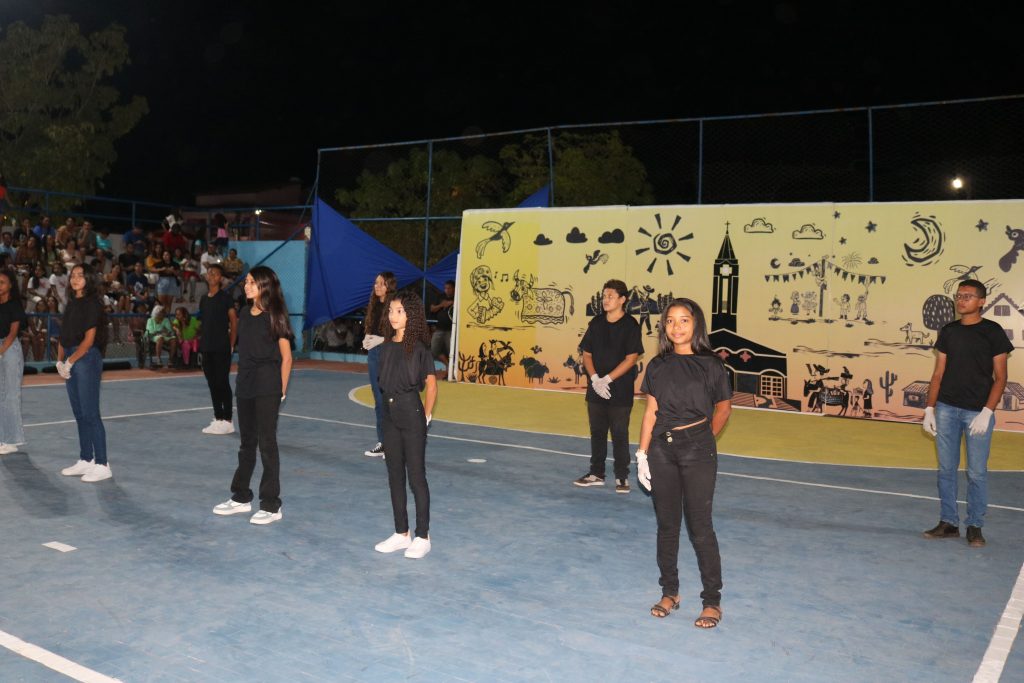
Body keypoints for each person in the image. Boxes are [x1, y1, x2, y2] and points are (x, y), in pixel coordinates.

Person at [635, 298, 732, 627]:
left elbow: (723, 408)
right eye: (670, 320)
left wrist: (704, 438)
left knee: (700, 527)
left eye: (684, 320)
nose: (676, 327)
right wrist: (642, 454)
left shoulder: (711, 365)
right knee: (667, 526)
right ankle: (670, 592)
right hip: (662, 451)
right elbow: (651, 412)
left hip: (697, 449)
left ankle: (712, 601)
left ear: (696, 324)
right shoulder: (657, 365)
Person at [921, 279, 1012, 548]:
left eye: (968, 296)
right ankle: (949, 523)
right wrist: (930, 408)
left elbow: (1001, 378)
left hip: (977, 412)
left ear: (981, 301)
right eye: (959, 296)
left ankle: (975, 525)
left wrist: (987, 411)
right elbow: (938, 374)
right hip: (946, 409)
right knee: (946, 470)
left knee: (976, 473)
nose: (961, 300)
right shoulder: (949, 331)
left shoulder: (993, 332)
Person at [212, 266, 293, 525]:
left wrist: (281, 390)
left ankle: (271, 504)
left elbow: (287, 357)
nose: (246, 286)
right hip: (245, 386)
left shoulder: (276, 316)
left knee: (267, 444)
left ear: (264, 286)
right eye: (246, 282)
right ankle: (241, 497)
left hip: (267, 386)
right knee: (246, 443)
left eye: (251, 282)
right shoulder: (245, 313)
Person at [373, 291, 437, 559]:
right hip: (390, 416)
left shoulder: (420, 349)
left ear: (411, 315)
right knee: (395, 476)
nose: (393, 315)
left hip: (411, 414)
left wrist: (426, 416)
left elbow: (431, 386)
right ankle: (401, 533)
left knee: (416, 477)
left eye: (399, 311)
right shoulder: (386, 347)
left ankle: (423, 536)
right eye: (390, 311)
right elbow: (382, 382)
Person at [574, 279, 644, 492]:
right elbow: (587, 354)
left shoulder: (630, 325)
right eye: (604, 296)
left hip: (620, 390)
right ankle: (596, 473)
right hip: (596, 389)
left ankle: (622, 476)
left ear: (622, 300)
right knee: (597, 432)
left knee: (619, 433)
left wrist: (608, 379)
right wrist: (596, 379)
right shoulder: (596, 323)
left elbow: (631, 359)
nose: (606, 300)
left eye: (610, 296)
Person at [57, 264, 111, 482]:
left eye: (80, 275)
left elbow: (88, 341)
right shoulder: (71, 304)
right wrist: (60, 361)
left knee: (90, 413)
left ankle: (102, 463)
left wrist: (70, 362)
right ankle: (86, 459)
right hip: (71, 357)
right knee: (79, 413)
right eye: (73, 275)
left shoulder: (92, 304)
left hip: (86, 359)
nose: (75, 279)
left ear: (88, 279)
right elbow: (63, 337)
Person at [199, 264, 238, 435]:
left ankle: (228, 420)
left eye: (215, 273)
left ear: (220, 278)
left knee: (222, 382)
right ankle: (218, 418)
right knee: (212, 383)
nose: (212, 275)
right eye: (210, 273)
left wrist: (231, 344)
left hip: (221, 347)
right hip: (206, 347)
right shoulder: (203, 299)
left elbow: (234, 322)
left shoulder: (226, 298)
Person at [361, 272, 395, 457]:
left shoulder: (395, 306)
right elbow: (371, 328)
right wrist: (367, 339)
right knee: (378, 399)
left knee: (390, 399)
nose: (377, 286)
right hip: (374, 354)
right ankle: (383, 442)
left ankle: (394, 443)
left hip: (389, 353)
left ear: (389, 285)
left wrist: (382, 340)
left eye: (382, 283)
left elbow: (401, 334)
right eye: (376, 283)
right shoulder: (373, 305)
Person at [0, 268, 27, 454]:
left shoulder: (15, 305)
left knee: (10, 395)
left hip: (10, 350)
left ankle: (12, 441)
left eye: (2, 282)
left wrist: (1, 351)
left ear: (10, 285)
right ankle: (3, 437)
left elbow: (13, 333)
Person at [429, 280, 455, 368]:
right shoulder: (440, 296)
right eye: (445, 288)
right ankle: (448, 366)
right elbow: (432, 309)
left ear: (454, 288)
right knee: (434, 350)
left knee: (451, 351)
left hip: (451, 330)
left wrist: (452, 303)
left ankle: (452, 369)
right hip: (439, 329)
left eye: (449, 288)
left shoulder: (457, 297)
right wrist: (441, 305)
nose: (447, 290)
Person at [144, 305, 176, 369]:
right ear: (156, 313)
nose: (162, 314)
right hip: (153, 337)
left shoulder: (165, 320)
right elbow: (151, 332)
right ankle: (158, 359)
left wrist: (165, 332)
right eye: (161, 313)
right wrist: (161, 331)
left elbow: (169, 330)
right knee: (160, 338)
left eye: (163, 313)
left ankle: (170, 359)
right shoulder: (150, 320)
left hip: (165, 336)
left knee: (173, 339)